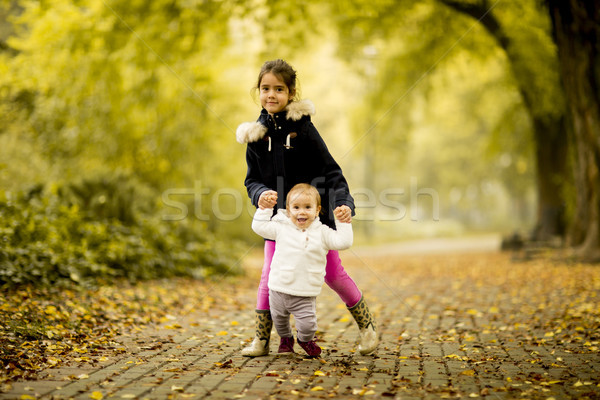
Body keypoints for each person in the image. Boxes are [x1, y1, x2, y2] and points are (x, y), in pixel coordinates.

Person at [236, 59, 378, 357]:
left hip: (315, 217)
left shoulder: (304, 130)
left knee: (333, 273)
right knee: (268, 275)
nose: (271, 95)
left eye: (278, 89)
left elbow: (332, 172)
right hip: (280, 220)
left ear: (291, 92)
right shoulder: (256, 138)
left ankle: (367, 330)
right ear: (257, 91)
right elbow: (251, 180)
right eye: (265, 89)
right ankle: (261, 340)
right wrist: (260, 193)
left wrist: (343, 205)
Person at [252, 183, 353, 357]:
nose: (302, 212)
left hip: (304, 293)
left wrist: (342, 222)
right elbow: (258, 227)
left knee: (308, 325)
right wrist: (265, 209)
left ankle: (304, 339)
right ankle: (286, 339)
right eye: (296, 207)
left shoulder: (322, 232)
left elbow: (344, 242)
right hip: (277, 289)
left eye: (307, 207)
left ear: (317, 210)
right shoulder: (281, 227)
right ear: (289, 210)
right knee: (279, 321)